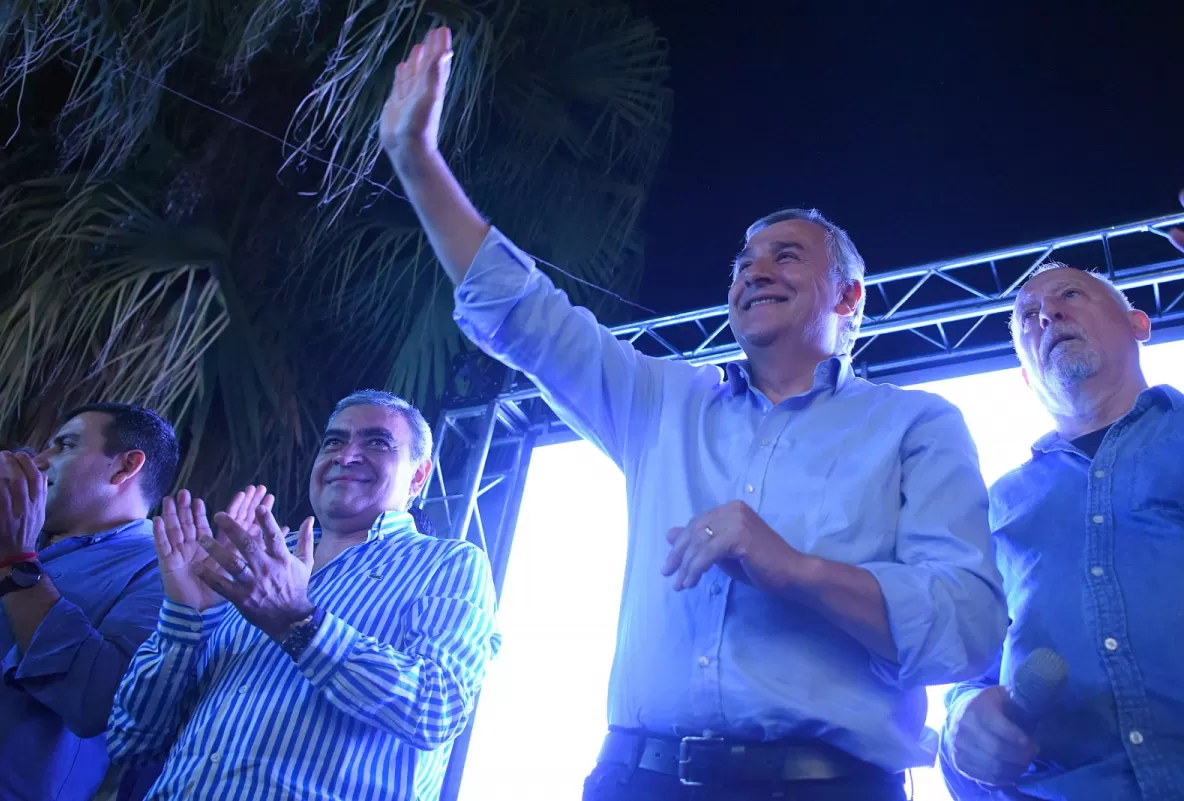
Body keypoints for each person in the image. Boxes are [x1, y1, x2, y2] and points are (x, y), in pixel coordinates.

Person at [378, 28, 1008, 801]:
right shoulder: (664, 403)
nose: (753, 271)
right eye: (742, 263)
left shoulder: (917, 424)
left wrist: (798, 570)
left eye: (784, 255)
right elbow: (528, 316)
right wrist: (416, 159)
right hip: (637, 779)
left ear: (849, 297)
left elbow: (966, 626)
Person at [107, 389, 502, 801]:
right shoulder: (250, 563)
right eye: (333, 441)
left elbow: (435, 710)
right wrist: (185, 617)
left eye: (377, 442)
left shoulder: (448, 563)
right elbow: (131, 741)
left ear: (419, 476)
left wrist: (298, 622)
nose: (345, 456)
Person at [938, 258, 1184, 800]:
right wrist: (963, 719)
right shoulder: (993, 505)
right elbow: (973, 671)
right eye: (1027, 316)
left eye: (1070, 295)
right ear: (1026, 374)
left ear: (1139, 324)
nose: (1046, 314)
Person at [0, 403, 178, 801]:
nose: (39, 460)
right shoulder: (20, 541)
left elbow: (98, 701)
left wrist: (13, 563)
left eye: (65, 445)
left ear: (125, 467)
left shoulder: (164, 569)